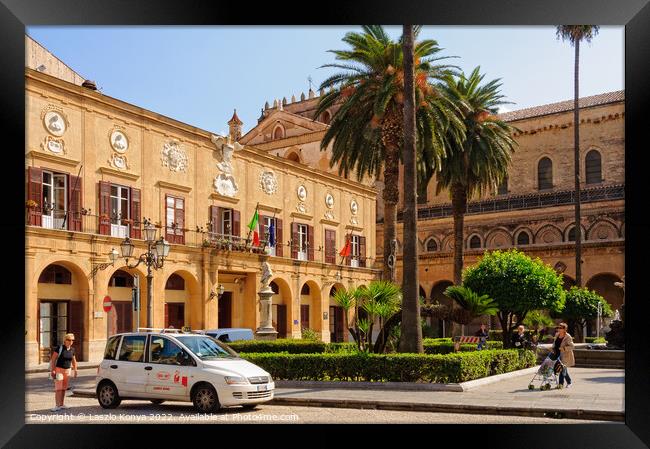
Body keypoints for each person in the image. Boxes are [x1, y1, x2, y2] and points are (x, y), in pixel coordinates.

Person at [50, 333, 78, 411]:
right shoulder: (60, 348)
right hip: (59, 370)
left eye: (72, 340)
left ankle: (62, 404)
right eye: (69, 340)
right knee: (58, 388)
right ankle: (57, 405)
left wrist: (75, 370)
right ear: (65, 340)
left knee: (63, 388)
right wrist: (53, 370)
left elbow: (74, 361)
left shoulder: (72, 350)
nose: (71, 341)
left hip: (67, 371)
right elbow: (53, 359)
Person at [553, 322, 575, 388]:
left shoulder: (568, 336)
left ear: (564, 329)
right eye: (558, 327)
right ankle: (569, 382)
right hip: (557, 354)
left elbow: (572, 346)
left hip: (565, 355)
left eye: (560, 328)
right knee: (563, 369)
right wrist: (552, 348)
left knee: (562, 368)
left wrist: (564, 348)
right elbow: (554, 343)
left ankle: (560, 384)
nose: (559, 329)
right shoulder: (557, 334)